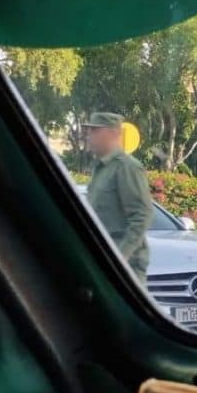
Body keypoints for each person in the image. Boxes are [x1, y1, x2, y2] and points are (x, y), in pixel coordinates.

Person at [84, 112, 154, 283]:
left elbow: (142, 214)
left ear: (111, 133)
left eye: (94, 130)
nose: (88, 136)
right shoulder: (101, 168)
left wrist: (120, 257)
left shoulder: (126, 168)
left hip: (125, 268)